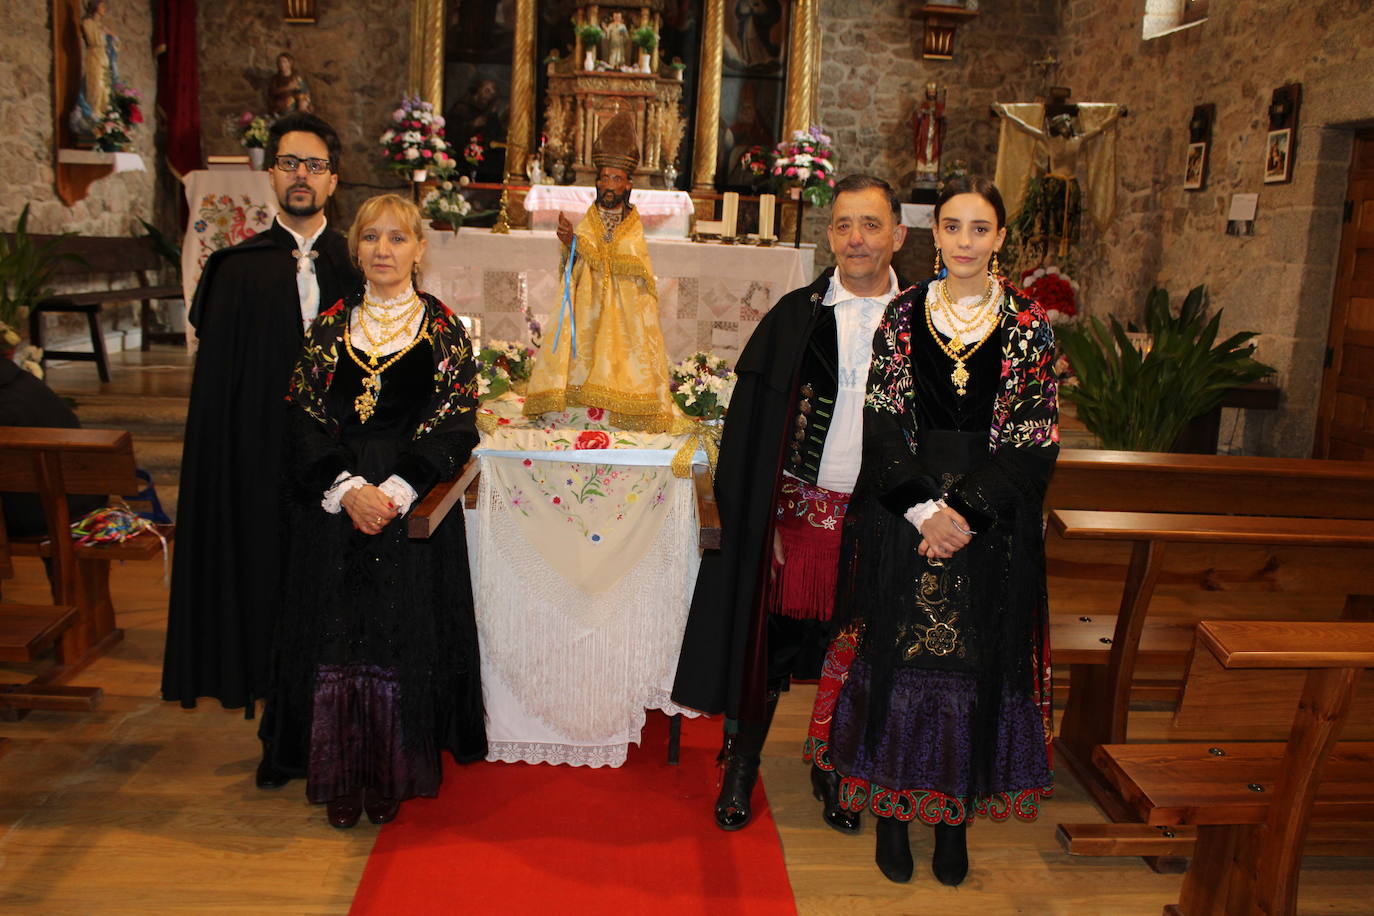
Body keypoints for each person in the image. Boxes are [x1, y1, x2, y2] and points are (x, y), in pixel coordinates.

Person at [826, 176, 1058, 885]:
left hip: (990, 530)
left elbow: (1033, 440)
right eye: (952, 228)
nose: (964, 242)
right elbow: (884, 421)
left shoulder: (1026, 326)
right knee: (900, 670)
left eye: (978, 229)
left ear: (1000, 238)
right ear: (934, 235)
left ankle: (952, 822)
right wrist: (925, 510)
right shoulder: (901, 316)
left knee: (973, 669)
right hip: (907, 519)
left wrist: (968, 515)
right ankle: (892, 817)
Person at [672, 175, 909, 833]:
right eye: (842, 225)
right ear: (829, 234)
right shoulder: (795, 317)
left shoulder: (925, 323)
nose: (856, 238)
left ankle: (832, 766)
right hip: (798, 521)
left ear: (897, 234)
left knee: (854, 652)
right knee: (769, 650)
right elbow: (750, 432)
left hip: (884, 522)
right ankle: (743, 765)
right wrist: (761, 519)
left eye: (869, 224)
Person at [257, 193, 486, 828]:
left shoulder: (443, 328)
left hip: (407, 509)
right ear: (355, 249)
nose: (383, 250)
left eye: (397, 238)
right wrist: (348, 487)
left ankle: (390, 767)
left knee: (394, 634)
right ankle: (341, 767)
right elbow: (302, 419)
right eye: (371, 238)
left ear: (419, 249)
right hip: (334, 507)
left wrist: (396, 490)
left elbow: (455, 424)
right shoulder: (329, 325)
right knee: (337, 632)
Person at [161, 113, 363, 750]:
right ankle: (272, 701)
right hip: (257, 457)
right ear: (271, 175)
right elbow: (218, 394)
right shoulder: (236, 271)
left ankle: (337, 705)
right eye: (290, 164)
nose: (301, 176)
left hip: (342, 460)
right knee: (264, 572)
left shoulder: (362, 269)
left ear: (334, 181)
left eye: (315, 166)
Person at [523, 110, 675, 431]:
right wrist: (569, 241)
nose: (608, 185)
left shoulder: (632, 224)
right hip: (588, 302)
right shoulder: (590, 217)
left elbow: (635, 259)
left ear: (628, 184)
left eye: (615, 179)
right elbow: (581, 253)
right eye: (604, 178)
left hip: (625, 307)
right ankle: (579, 400)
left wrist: (610, 262)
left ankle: (621, 400)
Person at [267, 52, 313, 117]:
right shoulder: (275, 78)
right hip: (279, 105)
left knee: (297, 104)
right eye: (280, 62)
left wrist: (303, 101)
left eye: (284, 62)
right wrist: (287, 88)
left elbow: (303, 91)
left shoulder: (296, 78)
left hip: (294, 104)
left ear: (290, 63)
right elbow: (272, 92)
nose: (282, 64)